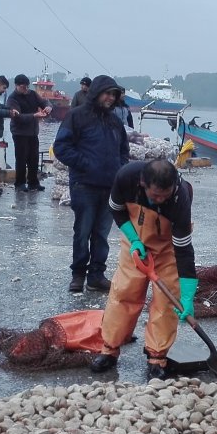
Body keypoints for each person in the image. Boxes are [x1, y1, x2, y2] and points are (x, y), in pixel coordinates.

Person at [89, 159, 196, 379]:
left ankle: (157, 356)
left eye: (165, 196)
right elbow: (116, 210)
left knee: (166, 302)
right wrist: (134, 240)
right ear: (142, 184)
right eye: (155, 196)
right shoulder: (126, 177)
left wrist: (187, 296)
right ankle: (109, 349)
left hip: (168, 248)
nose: (160, 200)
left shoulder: (180, 198)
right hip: (135, 242)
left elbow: (184, 250)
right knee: (123, 293)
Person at [53, 75, 129, 293]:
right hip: (84, 185)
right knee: (83, 231)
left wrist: (119, 168)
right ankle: (78, 275)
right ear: (96, 92)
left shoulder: (115, 121)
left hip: (110, 187)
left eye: (114, 94)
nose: (110, 98)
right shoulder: (76, 116)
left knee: (102, 234)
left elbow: (123, 150)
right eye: (107, 93)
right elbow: (62, 147)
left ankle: (96, 275)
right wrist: (85, 164)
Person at [6, 73, 52, 193]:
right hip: (19, 133)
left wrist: (48, 107)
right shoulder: (12, 99)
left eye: (27, 86)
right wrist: (34, 115)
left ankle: (33, 182)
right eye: (23, 87)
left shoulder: (32, 94)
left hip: (32, 132)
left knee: (34, 158)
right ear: (16, 86)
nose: (26, 89)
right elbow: (18, 117)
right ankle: (20, 183)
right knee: (21, 158)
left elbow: (45, 102)